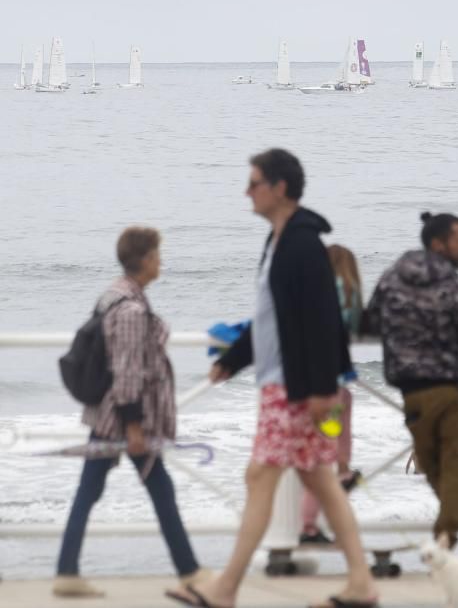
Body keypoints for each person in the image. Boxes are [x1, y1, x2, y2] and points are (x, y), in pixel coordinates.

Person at [167, 149, 376, 608]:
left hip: (296, 388)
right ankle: (361, 583)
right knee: (318, 477)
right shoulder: (279, 240)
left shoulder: (302, 243)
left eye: (255, 182)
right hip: (284, 383)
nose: (247, 191)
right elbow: (271, 318)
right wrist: (235, 358)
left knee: (261, 474)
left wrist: (322, 388)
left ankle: (225, 590)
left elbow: (322, 321)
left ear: (279, 188)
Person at [54, 227, 206, 598]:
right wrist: (134, 426)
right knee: (155, 488)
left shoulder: (115, 294)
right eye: (158, 254)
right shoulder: (132, 309)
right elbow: (126, 370)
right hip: (121, 419)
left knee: (99, 489)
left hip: (114, 416)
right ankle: (189, 572)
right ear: (147, 260)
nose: (161, 261)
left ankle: (67, 570)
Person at [361, 212, 458, 555]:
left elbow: (370, 321)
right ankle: (444, 540)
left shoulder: (391, 279)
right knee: (457, 463)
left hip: (412, 391)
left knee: (434, 467)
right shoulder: (452, 286)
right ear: (439, 244)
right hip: (451, 389)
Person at [299, 244, 364, 545]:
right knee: (329, 445)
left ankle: (309, 522)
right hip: (335, 387)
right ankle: (343, 470)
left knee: (316, 455)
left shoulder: (313, 291)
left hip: (315, 385)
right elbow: (354, 326)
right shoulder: (349, 292)